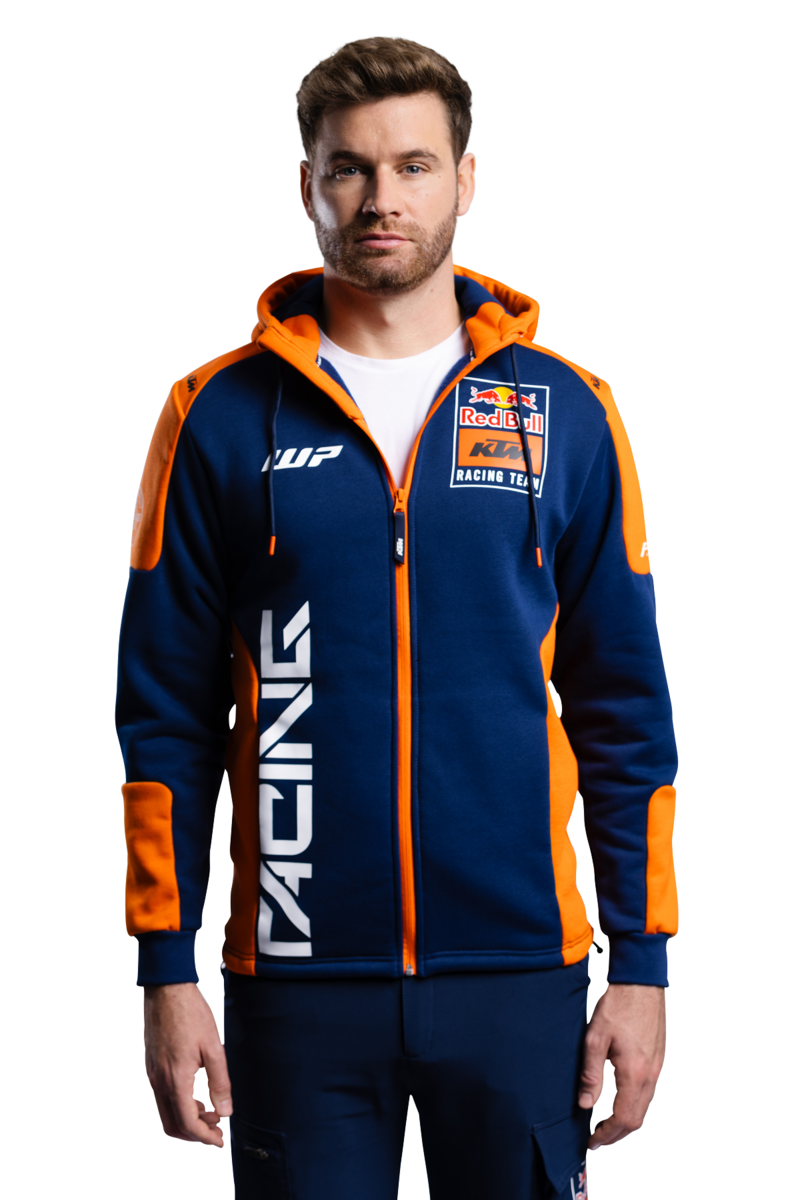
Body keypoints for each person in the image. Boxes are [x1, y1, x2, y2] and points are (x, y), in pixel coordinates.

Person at [117, 36, 678, 1200]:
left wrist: (642, 963)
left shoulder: (565, 412)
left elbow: (623, 708)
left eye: (413, 166)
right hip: (295, 977)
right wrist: (164, 970)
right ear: (308, 184)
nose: (381, 199)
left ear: (463, 178)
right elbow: (163, 717)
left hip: (518, 971)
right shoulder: (215, 416)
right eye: (349, 168)